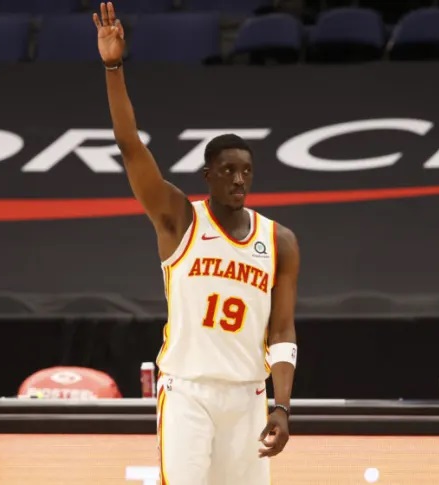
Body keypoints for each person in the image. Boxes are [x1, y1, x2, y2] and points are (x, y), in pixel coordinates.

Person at [93, 3, 300, 484]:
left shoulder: (280, 241)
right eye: (228, 170)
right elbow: (130, 146)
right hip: (188, 391)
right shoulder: (180, 220)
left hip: (249, 394)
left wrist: (283, 406)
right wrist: (113, 67)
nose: (238, 179)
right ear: (208, 175)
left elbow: (282, 331)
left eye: (246, 171)